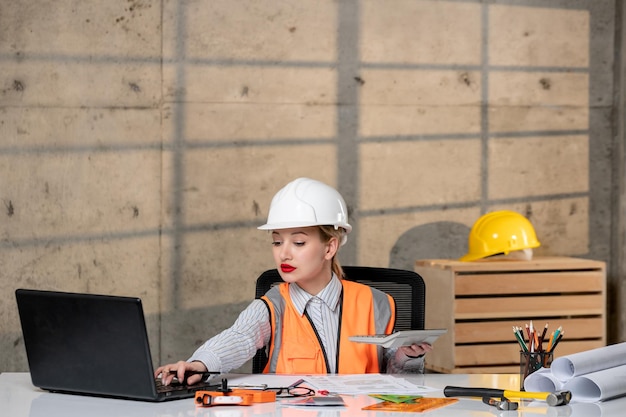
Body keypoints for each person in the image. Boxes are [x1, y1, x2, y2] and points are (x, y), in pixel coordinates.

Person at [156, 177, 432, 385]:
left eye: (298, 242)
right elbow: (239, 337)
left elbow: (398, 378)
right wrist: (201, 363)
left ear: (329, 248)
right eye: (277, 241)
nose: (283, 253)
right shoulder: (272, 305)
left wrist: (408, 357)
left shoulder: (377, 302)